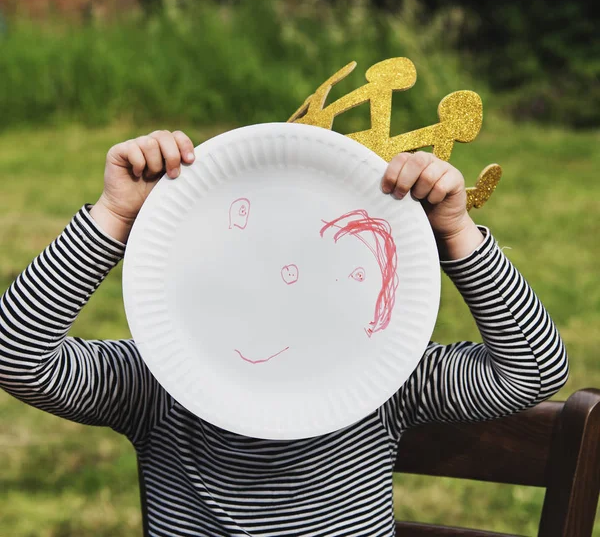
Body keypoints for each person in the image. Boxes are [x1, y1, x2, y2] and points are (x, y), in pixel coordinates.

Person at [0, 129, 569, 537]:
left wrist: (455, 232)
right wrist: (115, 216)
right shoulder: (158, 381)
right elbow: (14, 355)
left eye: (295, 277)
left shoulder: (382, 379)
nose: (272, 295)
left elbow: (536, 370)